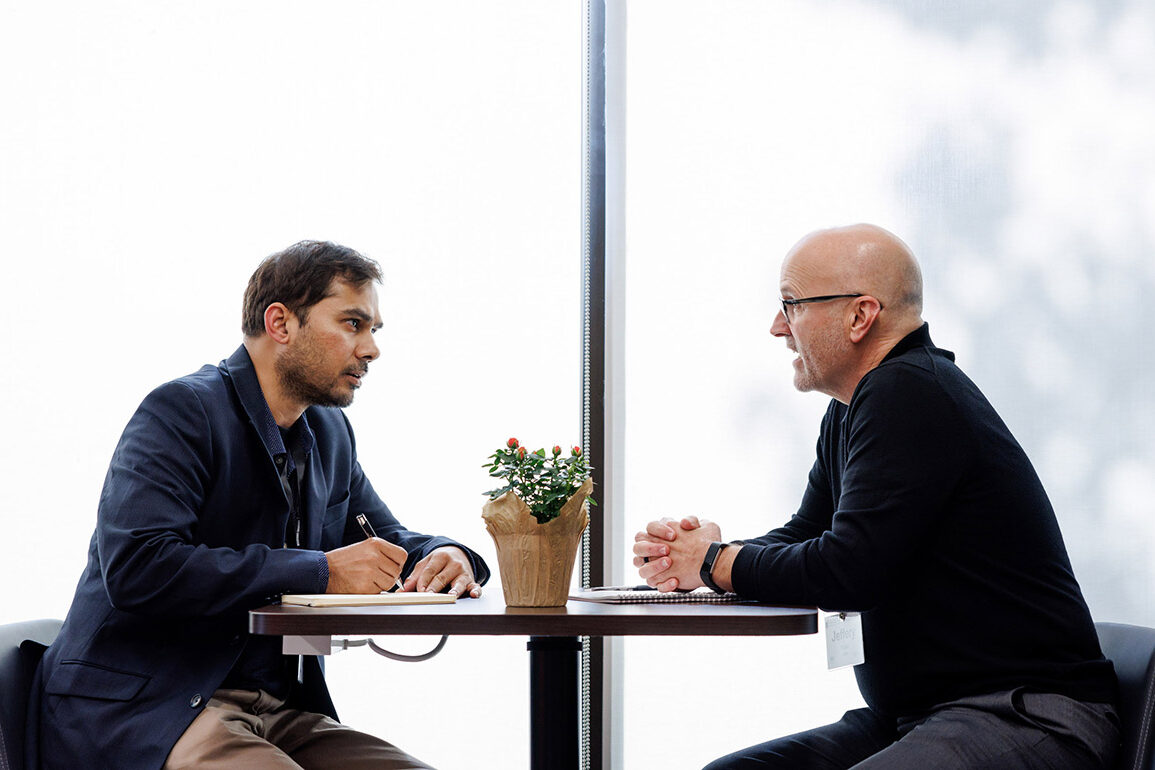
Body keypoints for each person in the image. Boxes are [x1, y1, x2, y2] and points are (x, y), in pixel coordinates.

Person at [633, 224, 1119, 769]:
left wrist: (718, 562)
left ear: (860, 315)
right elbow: (808, 537)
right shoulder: (852, 408)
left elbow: (846, 570)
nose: (776, 327)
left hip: (1023, 715)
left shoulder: (909, 391)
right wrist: (706, 558)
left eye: (790, 304)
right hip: (921, 716)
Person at [30, 241, 488, 770]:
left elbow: (378, 537)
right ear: (280, 323)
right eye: (353, 324)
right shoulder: (181, 411)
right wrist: (319, 571)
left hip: (275, 708)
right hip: (149, 707)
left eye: (373, 330)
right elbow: (138, 567)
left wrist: (447, 555)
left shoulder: (329, 431)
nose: (370, 349)